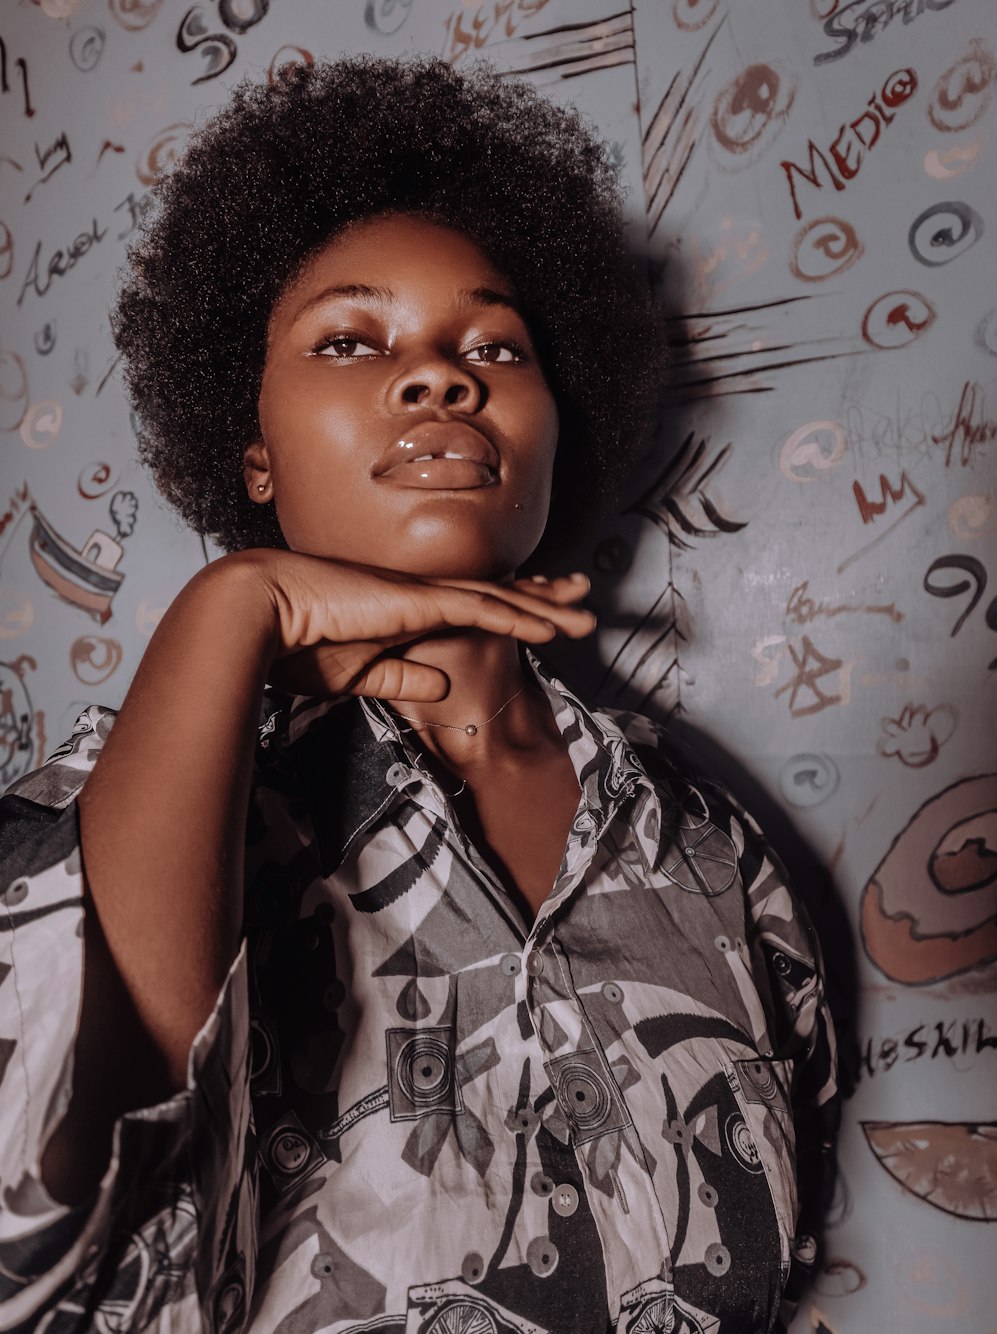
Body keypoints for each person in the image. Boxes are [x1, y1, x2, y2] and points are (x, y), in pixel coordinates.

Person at [0, 56, 839, 1334]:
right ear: (254, 451)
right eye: (351, 340)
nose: (441, 377)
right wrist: (237, 608)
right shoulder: (104, 814)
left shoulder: (720, 853)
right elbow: (48, 1219)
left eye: (492, 345)